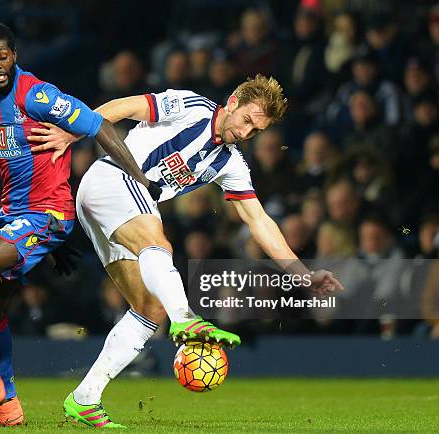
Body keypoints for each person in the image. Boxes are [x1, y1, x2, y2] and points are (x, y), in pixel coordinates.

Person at [30, 74, 343, 427]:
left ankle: (85, 398)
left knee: (149, 308)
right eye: (246, 121)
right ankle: (187, 319)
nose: (246, 133)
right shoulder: (190, 106)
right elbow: (122, 108)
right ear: (235, 100)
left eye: (256, 131)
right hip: (113, 178)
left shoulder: (231, 163)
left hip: (113, 208)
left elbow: (259, 221)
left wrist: (303, 274)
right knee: (158, 243)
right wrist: (70, 133)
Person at [0, 22, 159, 428]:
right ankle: (6, 406)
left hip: (44, 215)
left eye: (3, 56)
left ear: (15, 54)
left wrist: (141, 179)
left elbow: (100, 127)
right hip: (16, 216)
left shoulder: (37, 95)